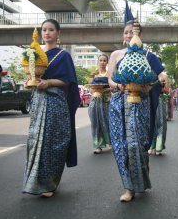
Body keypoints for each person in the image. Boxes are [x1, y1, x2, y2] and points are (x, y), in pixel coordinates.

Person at [22, 19, 80, 197]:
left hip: (56, 102)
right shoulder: (34, 53)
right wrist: (29, 82)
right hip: (38, 102)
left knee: (53, 142)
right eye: (44, 30)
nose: (46, 33)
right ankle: (34, 181)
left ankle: (50, 182)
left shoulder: (63, 56)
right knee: (35, 141)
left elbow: (67, 81)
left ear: (58, 33)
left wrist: (48, 83)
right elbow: (32, 76)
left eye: (51, 30)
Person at [108, 20, 164, 202]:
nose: (129, 35)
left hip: (141, 103)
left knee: (138, 145)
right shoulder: (116, 55)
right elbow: (110, 80)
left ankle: (141, 174)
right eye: (126, 32)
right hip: (118, 103)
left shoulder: (148, 55)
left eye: (133, 33)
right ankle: (129, 187)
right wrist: (119, 86)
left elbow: (162, 76)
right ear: (123, 36)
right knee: (121, 146)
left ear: (140, 36)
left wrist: (150, 86)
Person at [88, 54, 112, 154]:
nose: (102, 62)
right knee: (95, 123)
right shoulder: (93, 75)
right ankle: (97, 145)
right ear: (98, 62)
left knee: (107, 122)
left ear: (107, 62)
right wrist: (95, 91)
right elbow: (90, 88)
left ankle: (109, 142)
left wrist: (104, 90)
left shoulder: (109, 74)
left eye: (104, 61)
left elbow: (113, 87)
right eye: (100, 60)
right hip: (95, 101)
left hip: (106, 101)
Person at [149, 72, 169, 155]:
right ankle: (151, 146)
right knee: (150, 122)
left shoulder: (164, 76)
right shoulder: (148, 73)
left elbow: (167, 91)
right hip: (149, 100)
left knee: (160, 123)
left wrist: (159, 87)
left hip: (160, 100)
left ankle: (158, 146)